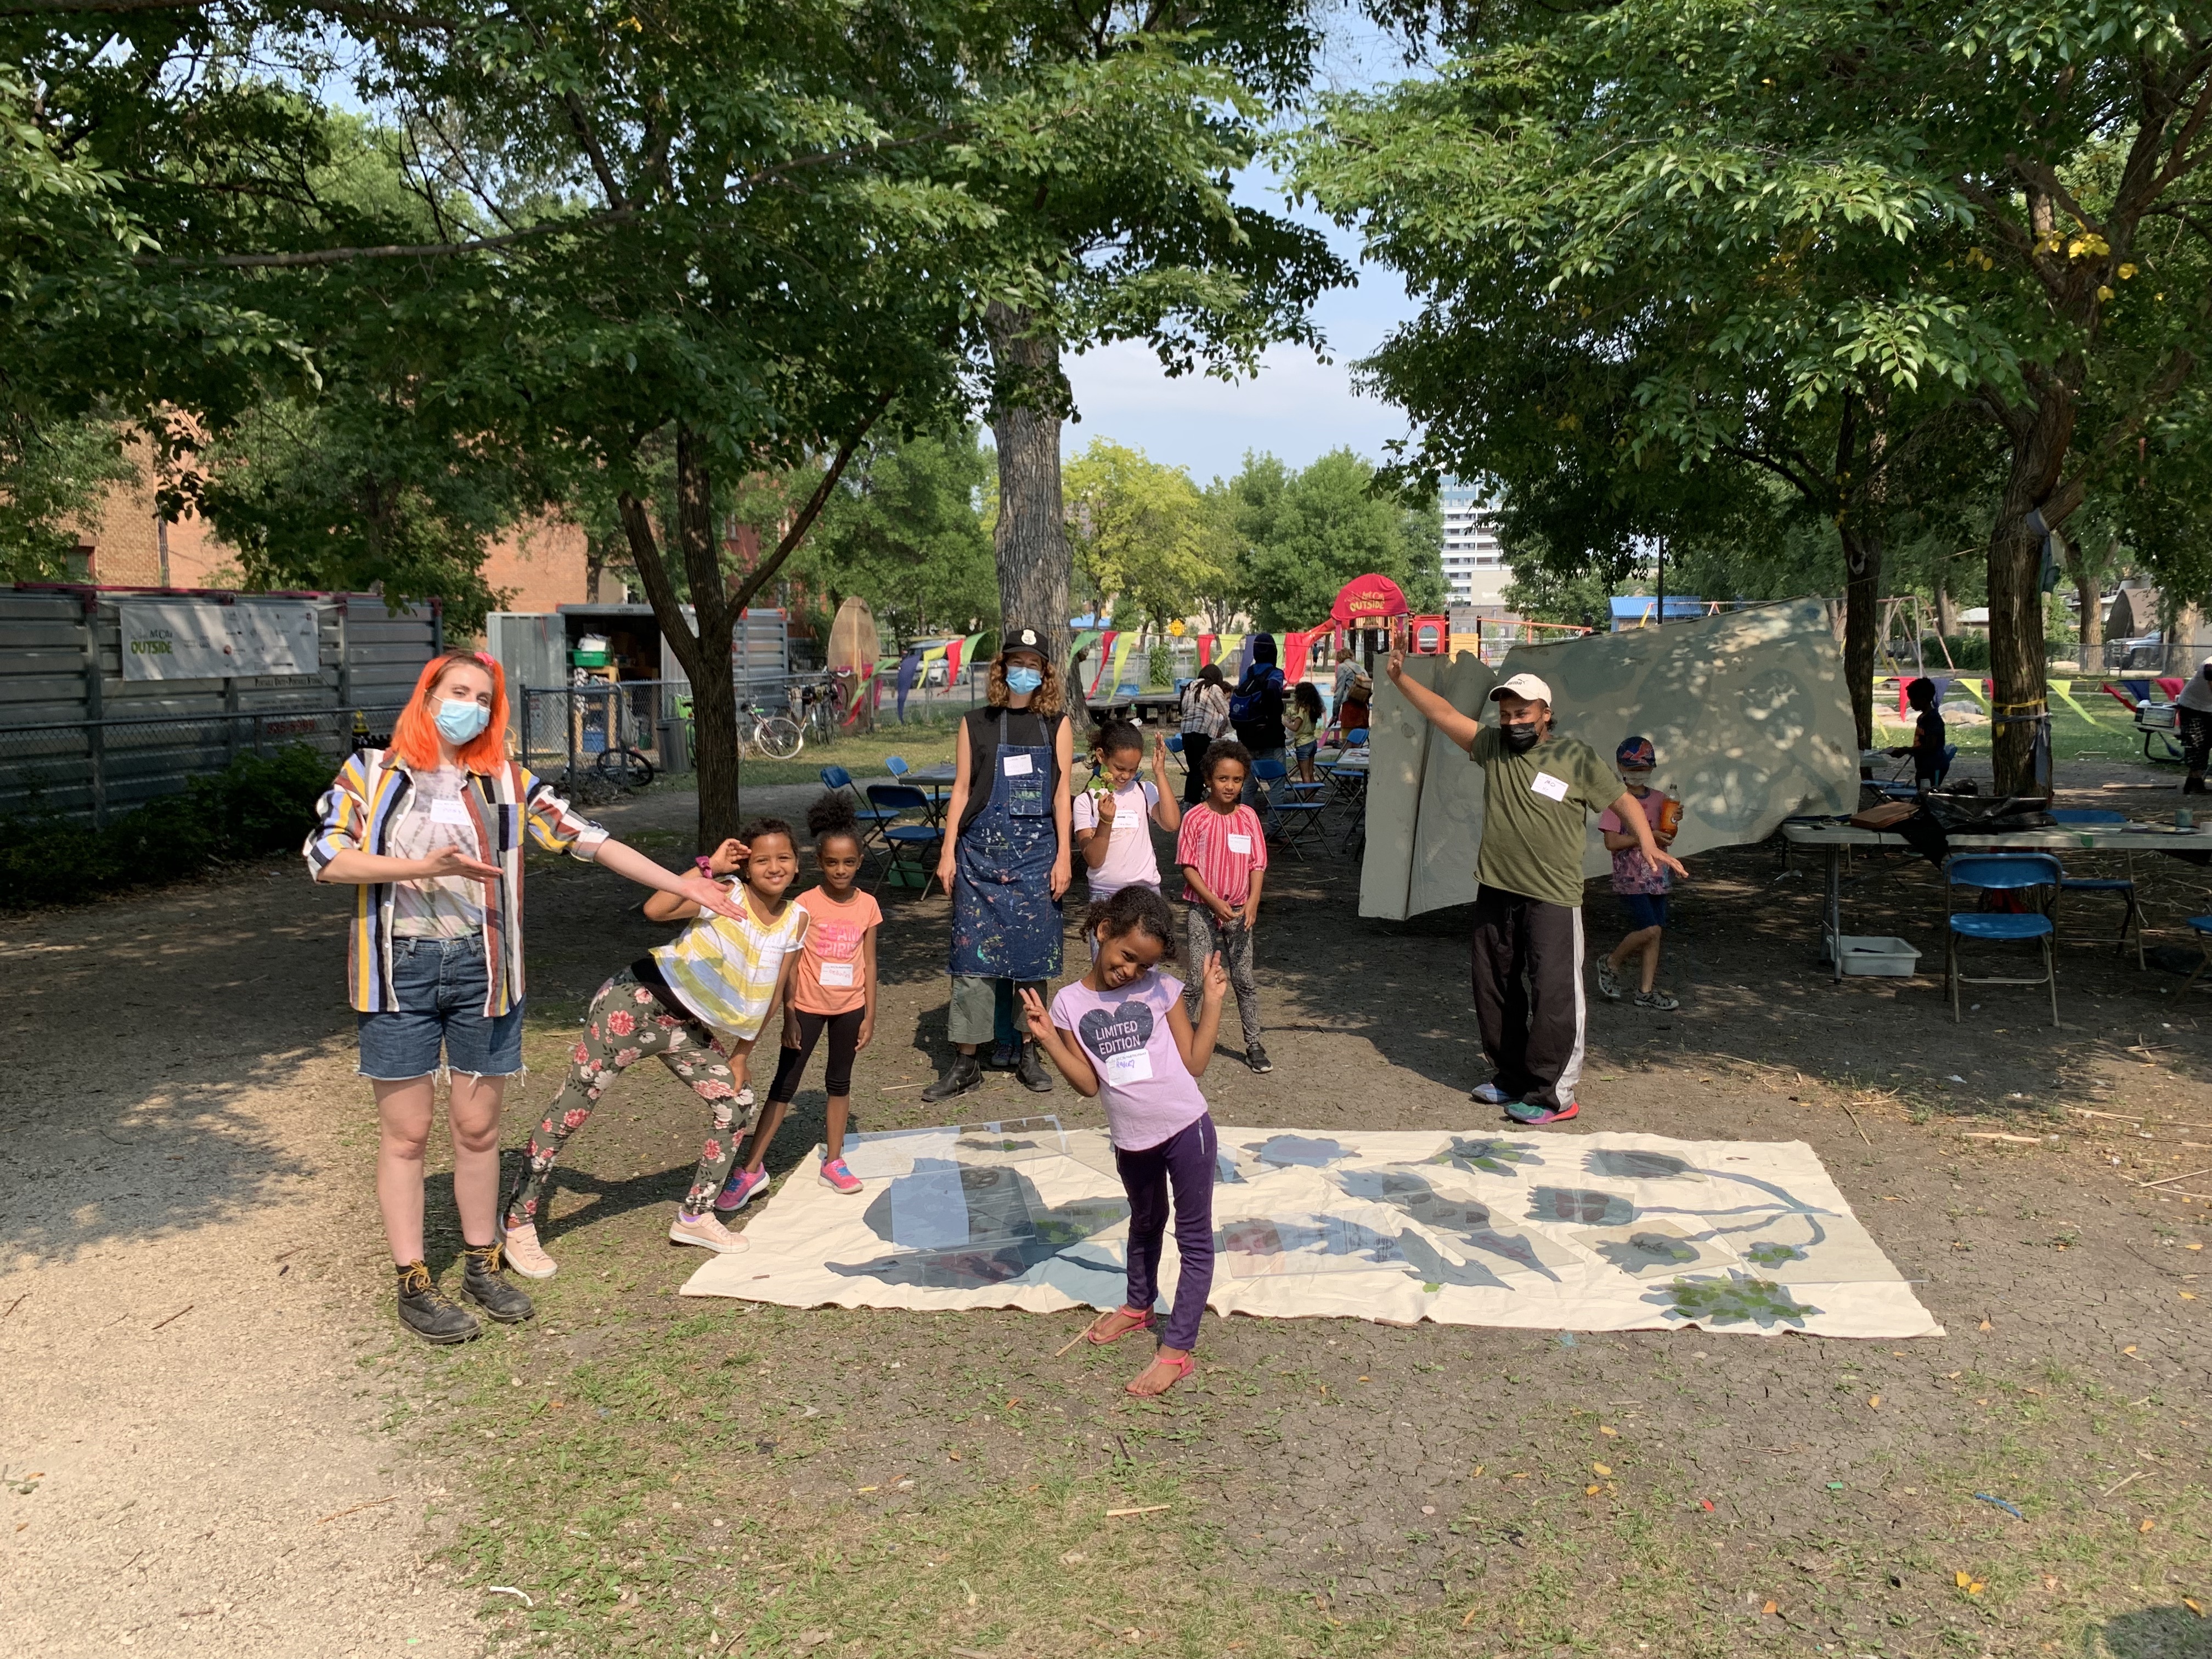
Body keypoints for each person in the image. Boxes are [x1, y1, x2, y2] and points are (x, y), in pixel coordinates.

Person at [306, 649, 744, 1342]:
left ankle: (481, 1264)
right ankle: (414, 1281)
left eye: (484, 698)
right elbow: (327, 857)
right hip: (398, 972)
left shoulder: (506, 780)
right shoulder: (370, 771)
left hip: (485, 972)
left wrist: (683, 883)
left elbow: (589, 839)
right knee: (408, 1134)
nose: (471, 707)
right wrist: (418, 866)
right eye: (459, 691)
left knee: (478, 1131)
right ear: (428, 695)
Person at [1383, 633, 1686, 1125]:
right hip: (1497, 889)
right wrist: (1399, 679)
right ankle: (1511, 1077)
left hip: (1552, 897)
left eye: (1523, 713)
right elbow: (1442, 713)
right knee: (1495, 986)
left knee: (1555, 993)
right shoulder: (1492, 747)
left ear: (1546, 714)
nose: (1513, 722)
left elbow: (1620, 799)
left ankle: (1554, 1094)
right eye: (1506, 714)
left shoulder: (1575, 758)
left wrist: (1648, 841)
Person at [499, 819, 808, 1274]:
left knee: (736, 1102)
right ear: (746, 867)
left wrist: (742, 1053)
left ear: (798, 865)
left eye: (784, 858)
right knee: (571, 1112)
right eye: (762, 859)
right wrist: (708, 867)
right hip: (634, 1004)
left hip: (683, 1027)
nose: (774, 867)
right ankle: (517, 1222)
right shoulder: (724, 893)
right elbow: (656, 909)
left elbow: (773, 990)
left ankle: (695, 1216)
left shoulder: (797, 918)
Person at [1020, 885, 1230, 1398]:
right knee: (1146, 1221)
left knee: (1194, 1238)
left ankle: (1176, 1351)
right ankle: (1139, 1306)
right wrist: (1048, 1039)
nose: (1132, 971)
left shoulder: (1163, 989)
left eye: (1144, 964)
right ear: (1103, 932)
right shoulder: (1069, 1004)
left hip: (1187, 1130)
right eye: (1127, 956)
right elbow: (1088, 1084)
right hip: (1131, 1141)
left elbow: (1195, 1063)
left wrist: (1213, 1002)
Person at [923, 625, 1076, 1102]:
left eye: (1033, 664)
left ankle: (1029, 1051)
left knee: (1032, 957)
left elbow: (1062, 796)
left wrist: (1064, 856)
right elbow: (961, 790)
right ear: (1002, 666)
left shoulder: (1057, 725)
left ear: (1044, 672)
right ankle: (966, 1061)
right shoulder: (975, 723)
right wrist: (947, 852)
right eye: (1017, 662)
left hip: (1037, 860)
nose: (1024, 671)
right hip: (978, 860)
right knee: (973, 958)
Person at [722, 794, 882, 1202]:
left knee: (840, 1082)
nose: (841, 870)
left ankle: (835, 1161)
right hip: (807, 1009)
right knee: (784, 1083)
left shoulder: (868, 905)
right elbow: (790, 965)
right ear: (819, 862)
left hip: (851, 1009)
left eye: (849, 863)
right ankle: (751, 1170)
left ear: (860, 862)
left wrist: (870, 1014)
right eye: (832, 863)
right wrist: (790, 1013)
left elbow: (869, 961)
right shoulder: (804, 906)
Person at [1175, 740, 1270, 1073]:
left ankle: (1254, 1043)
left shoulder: (1249, 818)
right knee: (1195, 979)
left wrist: (1253, 901)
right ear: (1208, 779)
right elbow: (1187, 866)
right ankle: (1179, 1042)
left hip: (1240, 912)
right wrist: (1213, 901)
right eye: (1222, 779)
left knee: (1243, 978)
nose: (1230, 786)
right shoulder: (1195, 818)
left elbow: (1258, 863)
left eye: (1237, 780)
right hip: (1203, 910)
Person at [1595, 736, 1679, 1012]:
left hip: (1658, 877)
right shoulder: (1617, 800)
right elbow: (1611, 842)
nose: (1639, 773)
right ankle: (1611, 962)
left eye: (1644, 768)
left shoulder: (1661, 799)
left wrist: (1671, 826)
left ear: (1652, 768)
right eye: (1633, 768)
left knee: (1655, 934)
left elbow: (1667, 838)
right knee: (1649, 929)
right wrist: (1645, 837)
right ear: (1620, 768)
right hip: (1630, 878)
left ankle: (1646, 991)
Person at [1074, 721, 1183, 919]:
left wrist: (1160, 773)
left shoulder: (1144, 790)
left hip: (1145, 891)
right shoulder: (1086, 801)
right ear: (1101, 756)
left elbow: (1172, 824)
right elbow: (1094, 859)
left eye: (1133, 770)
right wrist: (1105, 821)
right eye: (1120, 768)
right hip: (1105, 893)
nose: (1126, 776)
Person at [1228, 632, 1288, 825]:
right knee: (1277, 784)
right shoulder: (1275, 674)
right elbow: (1274, 696)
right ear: (1274, 652)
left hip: (1246, 739)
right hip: (1271, 739)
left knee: (1249, 786)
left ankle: (1246, 827)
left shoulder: (1248, 673)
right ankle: (1275, 829)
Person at [1177, 664, 1231, 805]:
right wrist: (1222, 730)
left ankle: (1188, 804)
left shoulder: (1189, 687)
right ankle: (1195, 805)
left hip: (1186, 733)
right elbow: (1227, 713)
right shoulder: (1213, 688)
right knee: (1201, 770)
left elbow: (1183, 709)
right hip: (1202, 733)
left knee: (1194, 770)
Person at [1887, 676, 1949, 793]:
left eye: (1914, 700)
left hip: (1934, 765)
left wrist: (1906, 750)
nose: (1911, 704)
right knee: (1921, 791)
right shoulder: (1922, 718)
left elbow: (1930, 747)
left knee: (1928, 794)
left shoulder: (1933, 720)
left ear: (1924, 700)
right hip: (1923, 765)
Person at [2181, 657, 2212, 794]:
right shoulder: (2210, 665)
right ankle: (2195, 783)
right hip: (2192, 706)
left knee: (2207, 743)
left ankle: (2193, 782)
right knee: (2196, 743)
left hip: (2209, 707)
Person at [1288, 682, 1325, 781]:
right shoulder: (1312, 708)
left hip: (1303, 743)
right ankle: (1312, 791)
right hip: (1312, 741)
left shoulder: (1302, 709)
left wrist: (1284, 723)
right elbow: (1305, 721)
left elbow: (1295, 727)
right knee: (1310, 773)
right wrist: (1295, 719)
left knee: (1305, 775)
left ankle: (1307, 791)